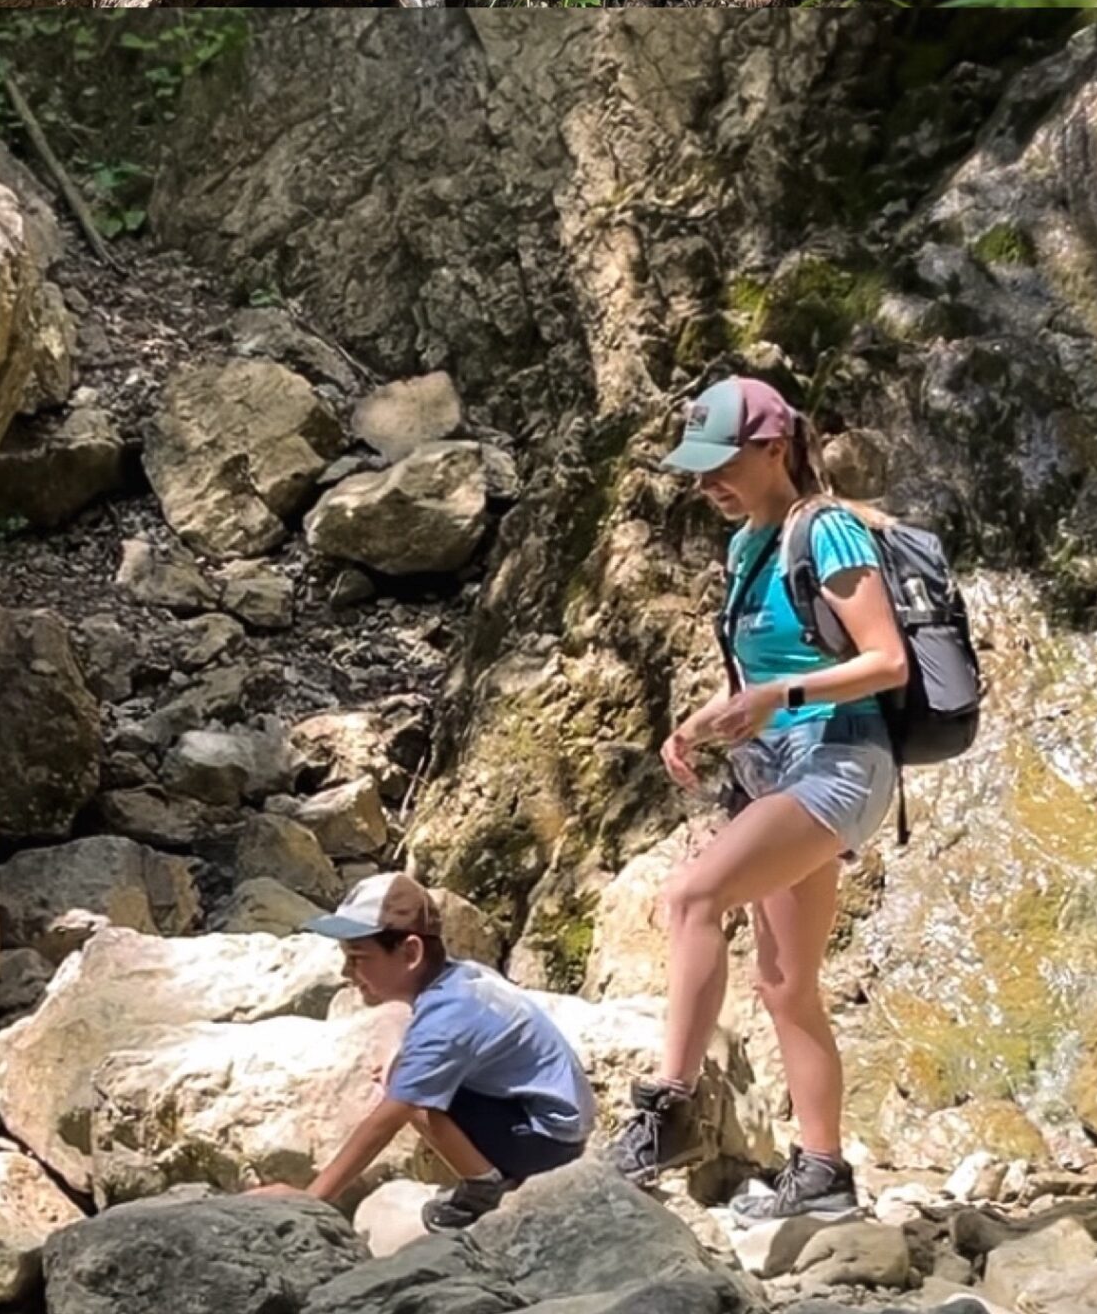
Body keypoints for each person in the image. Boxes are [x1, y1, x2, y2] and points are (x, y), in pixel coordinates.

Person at [605, 376, 908, 1224]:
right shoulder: (747, 546)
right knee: (785, 986)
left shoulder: (831, 531)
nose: (707, 485)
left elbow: (887, 664)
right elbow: (764, 675)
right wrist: (705, 721)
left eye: (721, 465)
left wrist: (777, 703)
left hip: (841, 762)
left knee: (693, 894)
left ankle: (670, 1108)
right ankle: (824, 1175)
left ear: (775, 448)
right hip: (777, 770)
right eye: (697, 471)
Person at [245, 871, 595, 1229]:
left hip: (547, 1142)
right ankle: (491, 1174)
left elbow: (388, 1119)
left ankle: (484, 1188)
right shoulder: (460, 979)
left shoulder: (448, 1016)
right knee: (406, 1072)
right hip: (552, 1120)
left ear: (410, 952)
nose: (346, 971)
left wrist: (312, 1200)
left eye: (358, 958)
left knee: (406, 1086)